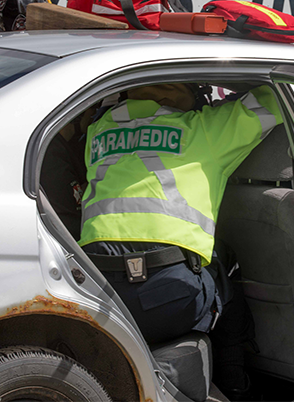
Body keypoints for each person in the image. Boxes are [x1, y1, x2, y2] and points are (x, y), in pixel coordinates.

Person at [78, 83, 282, 397]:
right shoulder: (204, 131)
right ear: (175, 94)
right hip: (170, 300)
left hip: (97, 292)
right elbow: (277, 100)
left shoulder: (98, 132)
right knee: (226, 273)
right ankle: (236, 387)